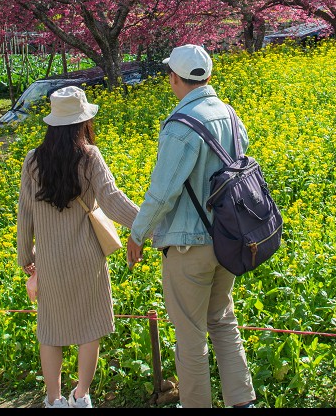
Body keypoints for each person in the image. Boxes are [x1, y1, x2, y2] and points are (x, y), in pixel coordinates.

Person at [126, 44, 257, 409]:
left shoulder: (180, 126)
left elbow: (162, 192)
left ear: (174, 78)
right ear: (208, 77)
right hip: (228, 239)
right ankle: (243, 402)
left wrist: (137, 235)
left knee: (190, 335)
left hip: (189, 246)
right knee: (222, 321)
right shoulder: (230, 115)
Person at [17, 86, 140, 409]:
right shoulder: (89, 156)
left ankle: (55, 400)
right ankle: (81, 396)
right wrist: (147, 223)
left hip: (51, 262)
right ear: (81, 122)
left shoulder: (33, 160)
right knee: (89, 328)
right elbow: (113, 202)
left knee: (51, 332)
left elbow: (25, 212)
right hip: (87, 258)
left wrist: (25, 257)